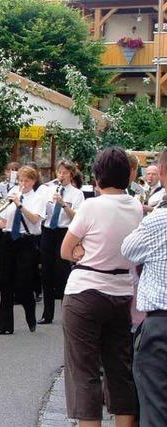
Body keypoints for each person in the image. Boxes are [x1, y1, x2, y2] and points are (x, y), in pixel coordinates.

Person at [60, 147, 141, 427]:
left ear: (97, 175)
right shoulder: (136, 206)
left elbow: (66, 249)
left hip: (85, 291)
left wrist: (83, 248)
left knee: (84, 371)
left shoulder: (91, 205)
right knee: (120, 370)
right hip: (121, 293)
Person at [121, 150, 167, 427]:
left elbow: (129, 249)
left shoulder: (159, 220)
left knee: (155, 407)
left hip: (161, 323)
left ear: (161, 173)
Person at [0, 166, 46, 335]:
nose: (23, 184)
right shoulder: (12, 193)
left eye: (27, 180)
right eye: (21, 180)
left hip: (26, 241)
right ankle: (4, 325)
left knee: (23, 282)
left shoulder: (37, 198)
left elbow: (35, 219)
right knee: (5, 282)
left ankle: (30, 315)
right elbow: (2, 220)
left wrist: (19, 204)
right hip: (8, 239)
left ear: (34, 181)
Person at [38, 160, 84, 325]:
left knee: (62, 273)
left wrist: (63, 204)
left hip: (64, 232)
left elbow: (77, 218)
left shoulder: (77, 194)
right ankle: (47, 313)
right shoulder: (49, 190)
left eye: (65, 172)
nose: (61, 175)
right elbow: (41, 212)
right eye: (59, 172)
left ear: (71, 174)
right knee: (47, 273)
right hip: (48, 231)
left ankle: (67, 314)